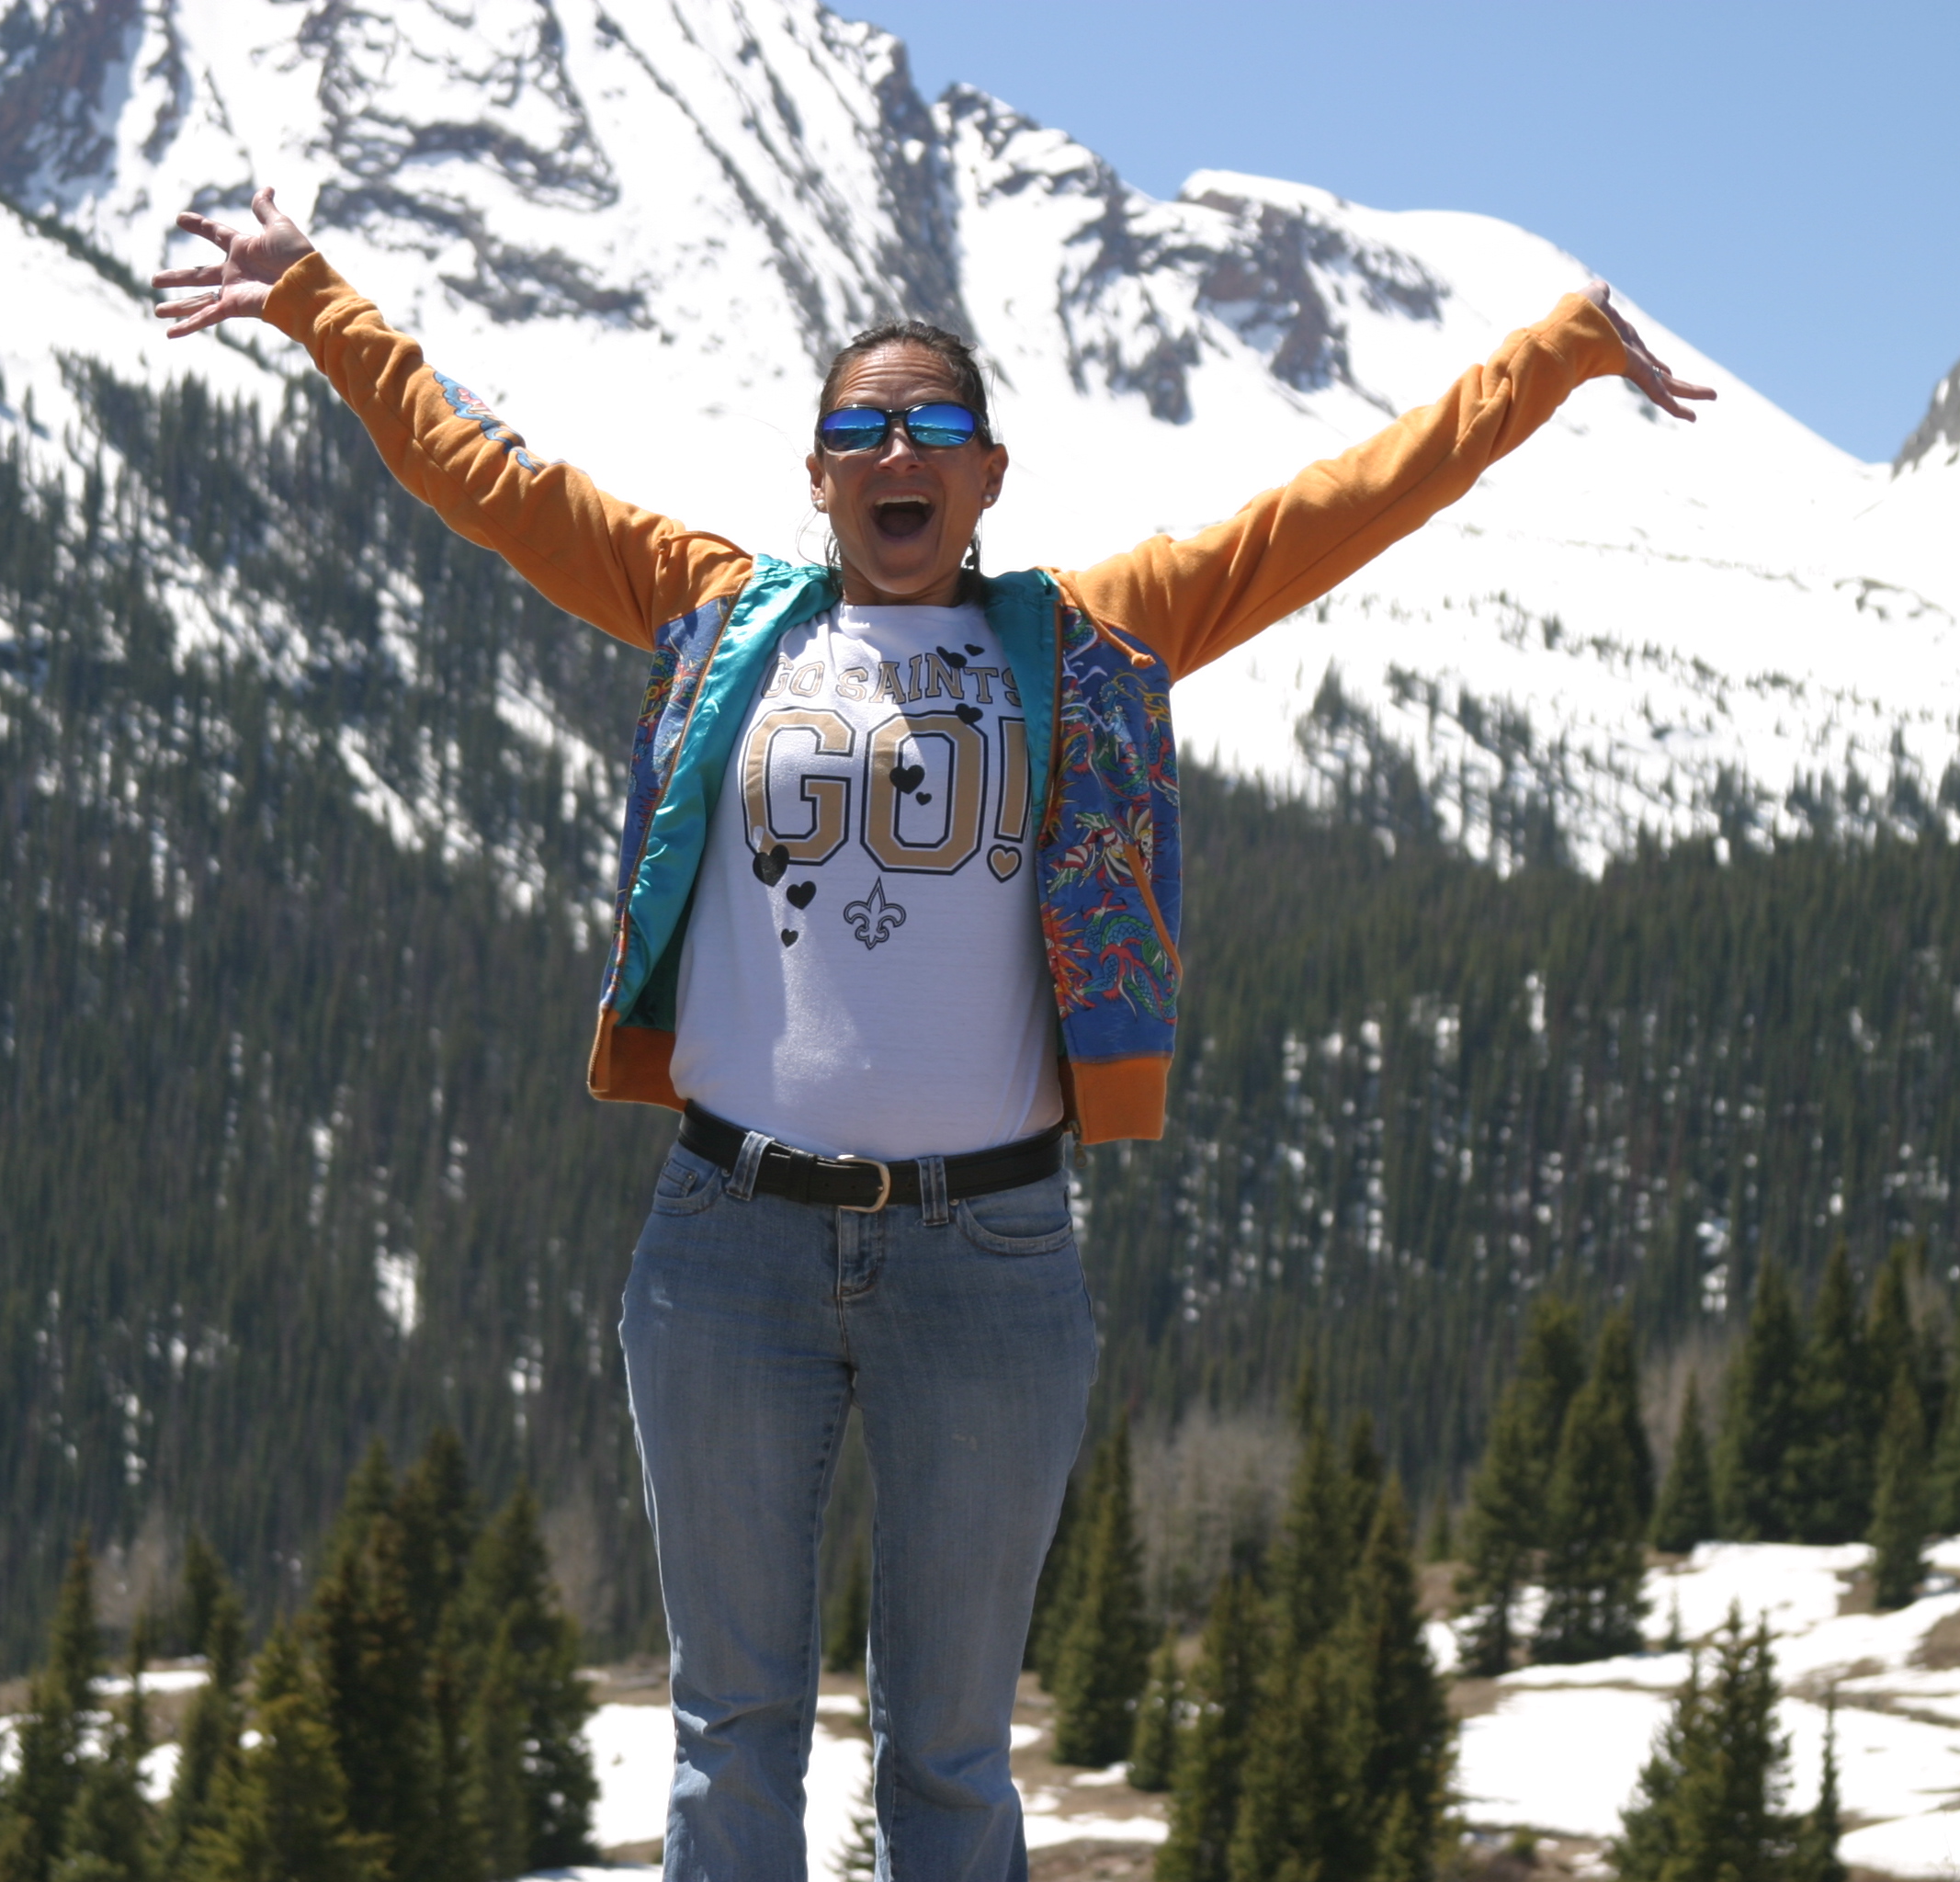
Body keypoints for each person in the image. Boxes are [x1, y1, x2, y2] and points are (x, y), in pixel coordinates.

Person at [155, 187, 1710, 1879]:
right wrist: (318, 302)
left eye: (936, 428)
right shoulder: (715, 613)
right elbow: (488, 475)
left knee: (954, 1759)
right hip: (727, 1242)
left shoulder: (1092, 637)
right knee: (731, 1731)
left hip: (991, 1253)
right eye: (861, 430)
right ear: (818, 476)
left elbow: (1339, 505)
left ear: (988, 478)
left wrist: (1553, 354)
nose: (897, 452)